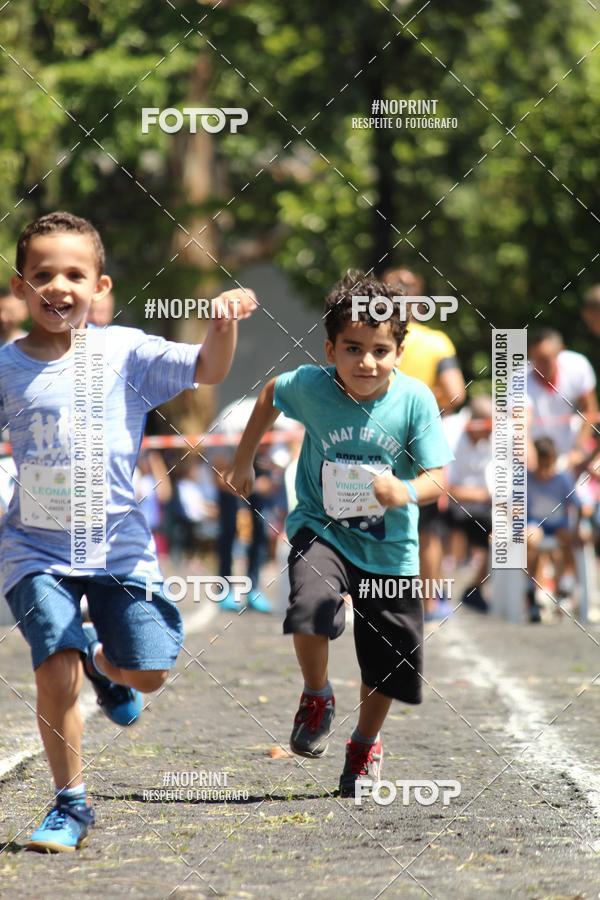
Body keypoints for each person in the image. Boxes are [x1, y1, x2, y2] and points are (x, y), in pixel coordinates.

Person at [3, 211, 256, 852]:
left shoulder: (126, 352)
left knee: (148, 673)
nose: (58, 286)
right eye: (42, 275)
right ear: (19, 288)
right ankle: (71, 804)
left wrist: (220, 325)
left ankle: (106, 665)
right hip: (33, 547)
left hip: (117, 547)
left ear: (100, 286)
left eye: (74, 274)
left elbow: (209, 369)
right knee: (52, 661)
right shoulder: (6, 368)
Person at [226, 271, 453, 796]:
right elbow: (267, 394)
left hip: (389, 548)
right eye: (352, 349)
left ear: (399, 350)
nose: (366, 363)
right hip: (320, 528)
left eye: (380, 350)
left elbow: (438, 478)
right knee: (308, 605)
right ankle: (316, 694)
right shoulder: (311, 386)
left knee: (387, 660)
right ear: (331, 349)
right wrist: (244, 461)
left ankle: (364, 745)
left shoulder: (416, 401)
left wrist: (404, 491)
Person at [382, 267, 466, 620]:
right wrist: (425, 412)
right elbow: (456, 392)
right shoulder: (435, 341)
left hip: (377, 435)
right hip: (421, 443)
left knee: (375, 520)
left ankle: (378, 598)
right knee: (428, 527)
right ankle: (429, 603)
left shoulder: (371, 334)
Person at [526, 437, 581, 623]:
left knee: (567, 538)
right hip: (536, 523)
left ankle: (564, 589)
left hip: (558, 525)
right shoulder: (526, 479)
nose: (546, 471)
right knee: (530, 538)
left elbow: (577, 505)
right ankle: (531, 590)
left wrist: (577, 529)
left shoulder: (563, 479)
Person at [446, 396, 493, 613]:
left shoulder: (494, 438)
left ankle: (475, 587)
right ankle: (433, 590)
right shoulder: (448, 432)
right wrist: (480, 495)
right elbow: (441, 485)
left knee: (507, 532)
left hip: (482, 505)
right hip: (446, 505)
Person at [527, 328, 597, 470]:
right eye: (536, 360)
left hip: (571, 452)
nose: (540, 365)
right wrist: (528, 453)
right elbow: (521, 422)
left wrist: (578, 449)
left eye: (545, 359)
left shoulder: (578, 367)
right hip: (537, 457)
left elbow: (590, 409)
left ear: (560, 352)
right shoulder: (519, 380)